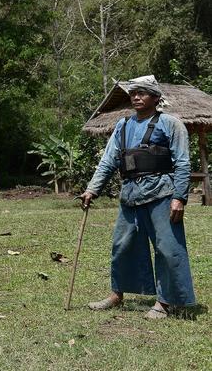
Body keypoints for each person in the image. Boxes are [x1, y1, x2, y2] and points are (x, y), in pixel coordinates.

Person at [79, 75, 195, 319]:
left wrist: (179, 197)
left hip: (162, 194)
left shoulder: (171, 124)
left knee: (168, 248)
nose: (136, 97)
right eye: (133, 93)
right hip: (130, 195)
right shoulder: (122, 126)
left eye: (142, 93)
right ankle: (117, 294)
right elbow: (108, 161)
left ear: (155, 97)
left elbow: (183, 163)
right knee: (122, 245)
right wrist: (92, 189)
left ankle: (165, 302)